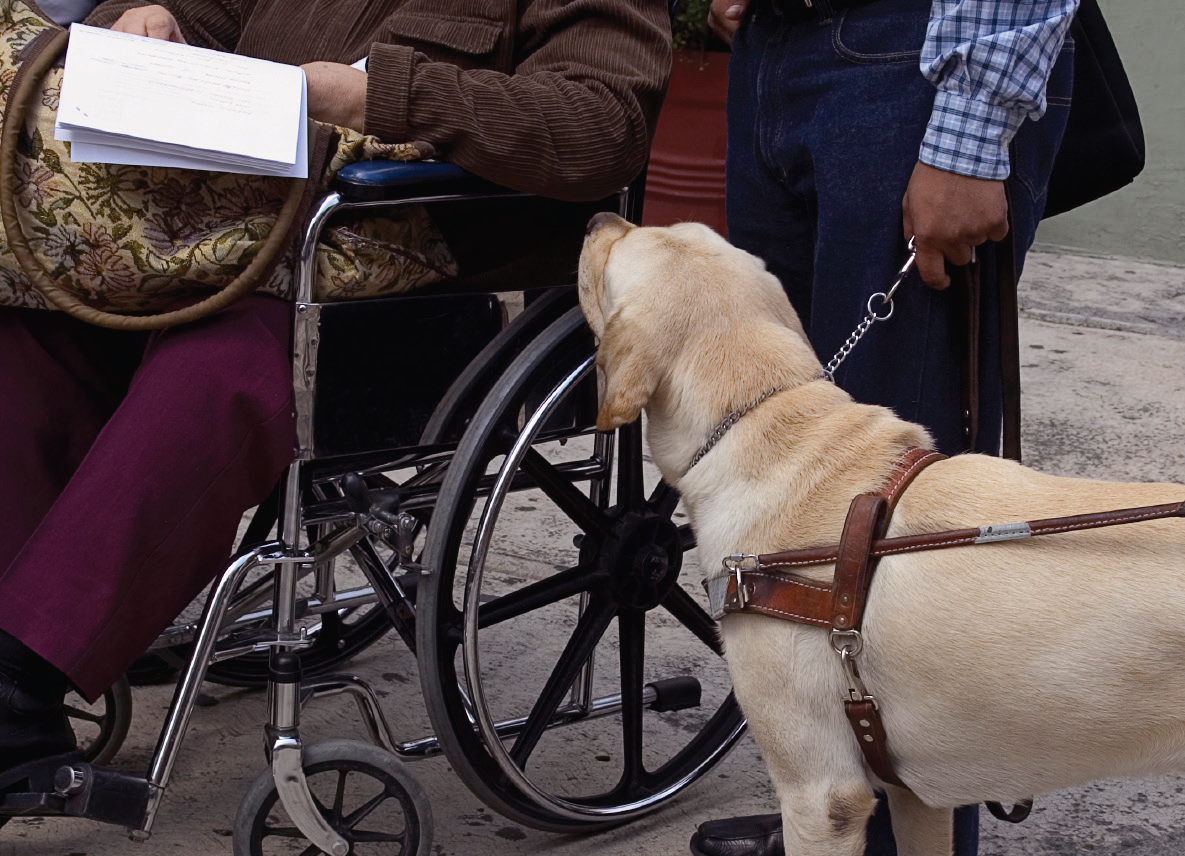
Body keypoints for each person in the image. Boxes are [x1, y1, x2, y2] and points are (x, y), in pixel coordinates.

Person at [0, 0, 670, 781]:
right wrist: (140, 20)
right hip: (225, 225)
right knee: (30, 330)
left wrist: (372, 97)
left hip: (414, 264)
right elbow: (190, 17)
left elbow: (601, 127)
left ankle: (20, 681)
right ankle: (23, 632)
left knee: (229, 356)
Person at [688, 1, 1077, 855]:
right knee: (790, 505)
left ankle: (903, 843)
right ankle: (830, 812)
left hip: (909, 59)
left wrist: (969, 129)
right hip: (773, 50)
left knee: (897, 540)